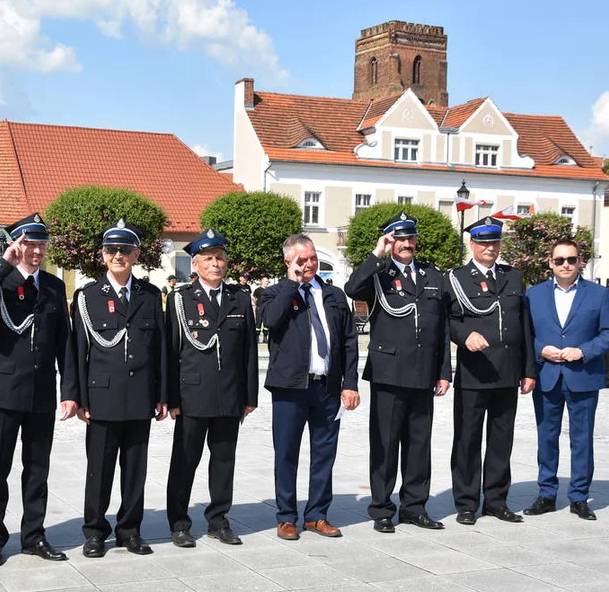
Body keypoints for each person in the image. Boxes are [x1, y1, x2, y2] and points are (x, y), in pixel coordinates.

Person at [0, 213, 71, 566]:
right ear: (15, 244)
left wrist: (69, 391)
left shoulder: (55, 287)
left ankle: (33, 536)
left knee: (37, 468)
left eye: (41, 243)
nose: (37, 250)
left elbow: (64, 345)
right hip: (4, 392)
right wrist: (2, 265)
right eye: (29, 242)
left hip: (41, 392)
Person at [62, 219, 167, 558]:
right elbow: (76, 351)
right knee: (100, 470)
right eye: (111, 250)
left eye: (125, 250)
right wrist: (77, 397)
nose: (117, 255)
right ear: (102, 255)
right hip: (102, 397)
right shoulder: (88, 297)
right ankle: (94, 531)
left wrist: (163, 394)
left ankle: (129, 530)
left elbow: (161, 349)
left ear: (136, 254)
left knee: (135, 470)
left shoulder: (151, 296)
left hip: (140, 397)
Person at [345, 213, 450, 533]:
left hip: (423, 372)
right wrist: (377, 254)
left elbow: (441, 325)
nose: (407, 244)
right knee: (386, 444)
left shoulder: (432, 274)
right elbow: (352, 288)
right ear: (389, 241)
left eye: (411, 238)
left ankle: (415, 507)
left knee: (419, 444)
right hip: (389, 372)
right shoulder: (379, 274)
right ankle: (381, 508)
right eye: (399, 238)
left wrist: (444, 371)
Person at [257, 234, 359, 540]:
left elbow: (350, 341)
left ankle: (317, 514)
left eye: (313, 257)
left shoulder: (334, 295)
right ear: (288, 262)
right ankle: (286, 516)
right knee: (286, 453)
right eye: (302, 259)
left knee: (324, 452)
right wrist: (292, 284)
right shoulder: (273, 293)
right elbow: (272, 321)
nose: (310, 264)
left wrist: (349, 384)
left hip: (326, 387)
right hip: (290, 387)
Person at [165, 229, 259, 547]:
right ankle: (179, 522)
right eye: (208, 259)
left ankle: (218, 520)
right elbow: (171, 352)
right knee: (185, 460)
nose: (215, 264)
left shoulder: (240, 298)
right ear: (196, 264)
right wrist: (171, 398)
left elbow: (248, 352)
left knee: (224, 460)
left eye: (220, 258)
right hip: (191, 395)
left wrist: (249, 395)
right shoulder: (180, 299)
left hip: (229, 396)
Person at [444, 219, 535, 525]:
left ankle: (496, 500)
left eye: (495, 243)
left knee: (501, 441)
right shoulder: (457, 278)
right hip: (475, 373)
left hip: (507, 372)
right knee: (467, 440)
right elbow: (448, 321)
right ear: (472, 245)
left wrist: (528, 370)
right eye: (483, 243)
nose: (490, 249)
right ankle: (467, 503)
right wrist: (464, 336)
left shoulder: (513, 277)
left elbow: (524, 327)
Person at [524, 240, 609, 522]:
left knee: (582, 439)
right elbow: (524, 333)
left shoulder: (598, 294)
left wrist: (583, 350)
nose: (565, 264)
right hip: (547, 376)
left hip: (583, 376)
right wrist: (540, 348)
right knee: (547, 437)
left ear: (580, 262)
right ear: (550, 263)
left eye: (571, 259)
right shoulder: (534, 295)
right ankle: (547, 494)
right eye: (559, 260)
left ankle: (578, 497)